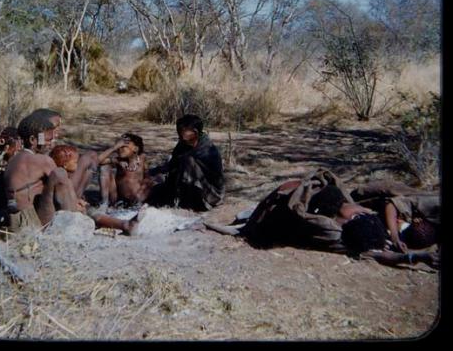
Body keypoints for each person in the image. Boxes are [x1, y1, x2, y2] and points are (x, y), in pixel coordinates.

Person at [204, 170, 439, 269]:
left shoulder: (343, 233)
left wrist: (416, 257)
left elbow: (380, 255)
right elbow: (390, 206)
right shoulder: (376, 221)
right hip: (318, 196)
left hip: (304, 206)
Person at [3, 111, 80, 231]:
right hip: (30, 223)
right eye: (48, 139)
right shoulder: (41, 160)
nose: (51, 143)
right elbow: (63, 184)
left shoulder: (15, 159)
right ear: (33, 140)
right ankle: (74, 222)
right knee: (60, 174)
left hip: (14, 221)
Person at [50, 143, 146, 235]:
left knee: (94, 213)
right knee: (94, 215)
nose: (77, 163)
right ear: (65, 165)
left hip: (73, 206)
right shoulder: (61, 178)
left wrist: (77, 201)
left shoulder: (65, 176)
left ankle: (126, 224)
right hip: (66, 214)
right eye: (75, 162)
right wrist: (77, 206)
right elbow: (63, 203)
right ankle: (125, 225)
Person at [147, 114, 225, 211]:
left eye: (183, 130)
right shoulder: (183, 144)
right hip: (191, 184)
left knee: (187, 161)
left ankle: (184, 201)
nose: (179, 132)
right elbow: (172, 163)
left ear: (195, 132)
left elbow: (211, 178)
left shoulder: (207, 149)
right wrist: (152, 172)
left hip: (211, 193)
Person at [349, 181, 440, 253]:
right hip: (393, 195)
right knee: (385, 190)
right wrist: (395, 237)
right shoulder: (434, 202)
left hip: (412, 220)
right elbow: (392, 205)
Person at [98, 133, 154, 209]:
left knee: (150, 181)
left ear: (135, 149)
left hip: (137, 198)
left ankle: (138, 204)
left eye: (124, 145)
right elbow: (97, 161)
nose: (120, 148)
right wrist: (114, 148)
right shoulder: (118, 160)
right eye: (119, 145)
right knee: (104, 168)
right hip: (118, 199)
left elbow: (147, 175)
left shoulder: (142, 158)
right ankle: (104, 203)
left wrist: (145, 185)